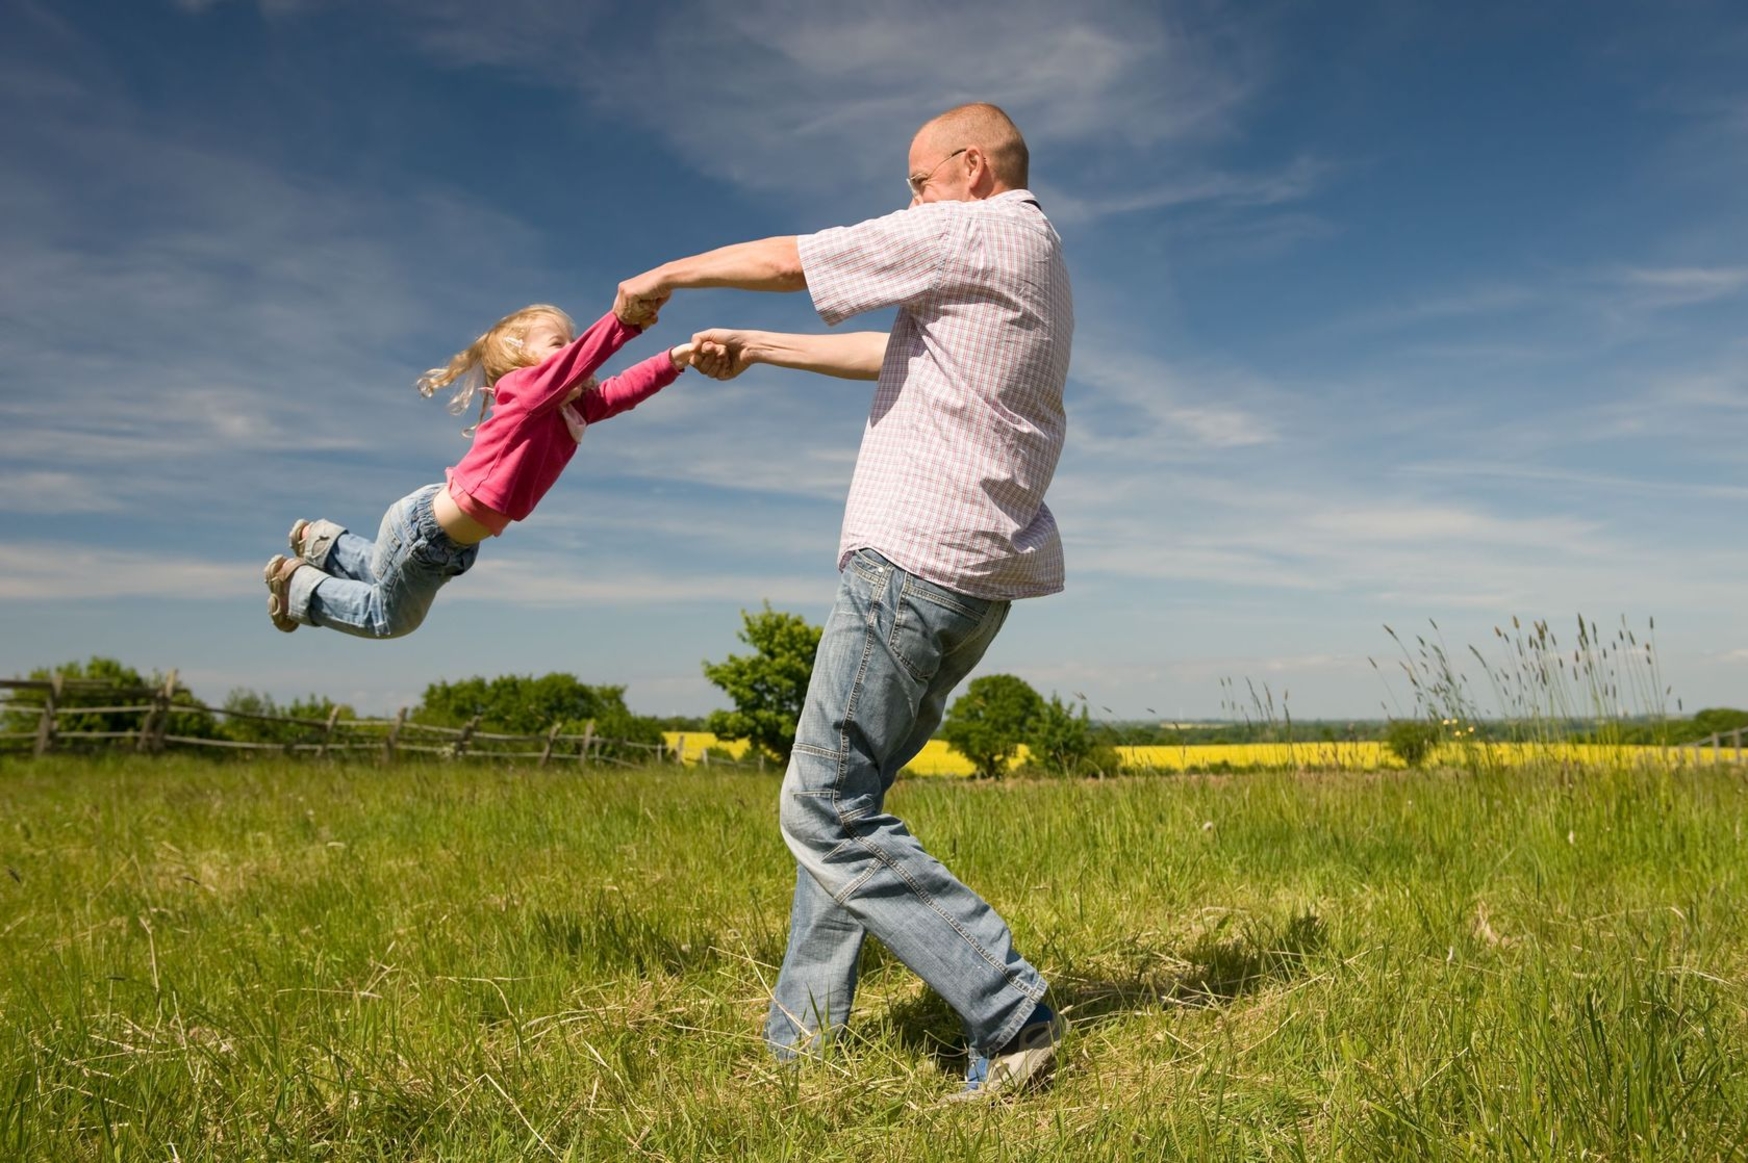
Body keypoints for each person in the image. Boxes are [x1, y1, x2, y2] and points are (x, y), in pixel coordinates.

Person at [617, 102, 1074, 1099]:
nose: (904, 203)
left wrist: (667, 274)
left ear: (968, 169)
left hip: (909, 565)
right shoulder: (1029, 253)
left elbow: (801, 257)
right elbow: (891, 353)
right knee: (846, 800)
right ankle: (802, 1046)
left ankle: (1008, 1011)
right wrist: (763, 346)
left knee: (821, 806)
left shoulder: (973, 225)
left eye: (913, 183)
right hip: (969, 574)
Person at [264, 303, 693, 638]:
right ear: (518, 359)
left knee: (386, 578)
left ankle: (323, 543)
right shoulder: (525, 392)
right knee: (387, 617)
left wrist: (674, 359)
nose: (571, 350)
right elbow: (574, 366)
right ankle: (298, 587)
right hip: (428, 531)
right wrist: (624, 322)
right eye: (558, 343)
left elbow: (620, 392)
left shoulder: (568, 410)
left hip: (443, 539)